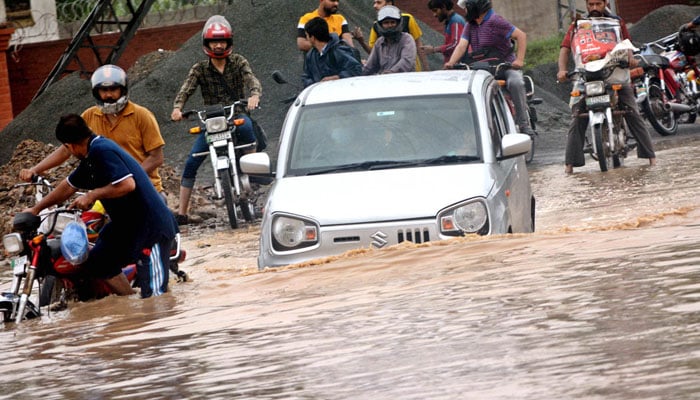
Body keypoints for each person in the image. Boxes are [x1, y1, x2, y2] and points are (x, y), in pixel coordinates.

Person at [26, 114, 177, 298]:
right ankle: (130, 301)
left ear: (70, 146)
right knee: (99, 262)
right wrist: (36, 209)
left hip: (151, 228)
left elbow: (127, 185)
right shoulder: (90, 158)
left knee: (155, 299)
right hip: (127, 226)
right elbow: (68, 186)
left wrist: (92, 194)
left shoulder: (102, 150)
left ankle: (148, 305)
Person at [20, 64, 167, 202]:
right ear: (96, 92)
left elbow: (156, 158)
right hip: (111, 193)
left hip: (146, 190)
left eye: (113, 89)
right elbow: (66, 150)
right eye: (103, 90)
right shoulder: (89, 116)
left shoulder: (142, 115)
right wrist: (35, 169)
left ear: (123, 90)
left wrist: (129, 179)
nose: (108, 95)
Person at [171, 15, 261, 225]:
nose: (219, 46)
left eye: (222, 41)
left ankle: (252, 173)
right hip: (212, 121)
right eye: (215, 41)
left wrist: (254, 95)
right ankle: (182, 212)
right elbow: (186, 89)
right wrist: (177, 108)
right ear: (207, 43)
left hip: (235, 114)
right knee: (192, 161)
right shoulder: (199, 69)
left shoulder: (239, 61)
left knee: (247, 128)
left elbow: (251, 79)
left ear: (229, 43)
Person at [556, 0, 656, 174]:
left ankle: (651, 158)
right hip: (586, 77)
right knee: (578, 116)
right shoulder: (578, 25)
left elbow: (626, 44)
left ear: (605, 3)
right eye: (590, 4)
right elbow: (565, 49)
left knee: (632, 112)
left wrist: (630, 59)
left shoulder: (617, 22)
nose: (594, 8)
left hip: (615, 75)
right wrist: (562, 70)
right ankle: (569, 165)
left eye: (598, 4)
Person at [444, 0, 533, 136]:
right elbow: (462, 45)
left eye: (467, 8)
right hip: (482, 68)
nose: (465, 11)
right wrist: (451, 63)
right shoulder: (470, 25)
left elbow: (521, 35)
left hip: (504, 66)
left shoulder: (495, 21)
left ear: (476, 6)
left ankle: (523, 124)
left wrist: (519, 60)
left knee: (516, 82)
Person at [352, 0, 429, 71]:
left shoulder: (407, 24)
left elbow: (417, 47)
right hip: (387, 79)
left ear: (389, 3)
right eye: (386, 23)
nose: (375, 6)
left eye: (379, 2)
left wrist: (426, 69)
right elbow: (373, 57)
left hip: (408, 76)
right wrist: (362, 42)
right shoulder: (377, 33)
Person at [302, 17, 363, 87]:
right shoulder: (310, 55)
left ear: (312, 37)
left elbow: (356, 70)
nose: (306, 38)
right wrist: (316, 85)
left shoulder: (339, 50)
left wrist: (336, 77)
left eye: (306, 35)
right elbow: (306, 77)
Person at [362, 5, 416, 75]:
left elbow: (407, 62)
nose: (390, 25)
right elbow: (371, 66)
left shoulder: (407, 39)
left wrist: (390, 73)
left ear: (398, 23)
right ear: (381, 25)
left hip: (404, 81)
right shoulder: (379, 42)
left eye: (392, 22)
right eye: (386, 23)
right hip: (385, 82)